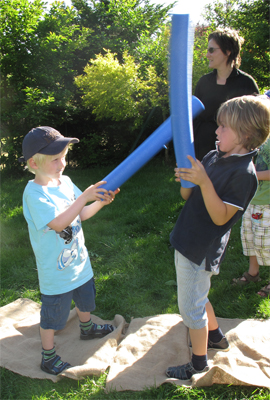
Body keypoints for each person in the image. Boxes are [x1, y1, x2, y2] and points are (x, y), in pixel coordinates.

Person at [166, 95, 270, 380]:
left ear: (245, 135)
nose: (216, 131)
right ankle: (215, 336)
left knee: (191, 309)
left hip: (201, 248)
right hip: (187, 237)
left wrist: (204, 182)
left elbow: (221, 216)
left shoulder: (244, 174)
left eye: (223, 127)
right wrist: (188, 180)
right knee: (198, 295)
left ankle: (198, 363)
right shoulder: (214, 156)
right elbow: (188, 196)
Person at [20, 126, 119, 375]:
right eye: (55, 159)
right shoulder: (34, 194)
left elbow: (81, 214)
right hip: (55, 272)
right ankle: (48, 357)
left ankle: (86, 328)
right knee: (53, 317)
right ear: (34, 162)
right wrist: (84, 196)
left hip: (79, 261)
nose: (62, 163)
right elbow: (58, 224)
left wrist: (98, 201)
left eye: (64, 156)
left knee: (85, 299)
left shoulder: (65, 182)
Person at [193, 28, 259, 161]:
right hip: (202, 154)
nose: (207, 55)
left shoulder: (246, 84)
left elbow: (255, 123)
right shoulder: (203, 82)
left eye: (212, 50)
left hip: (233, 157)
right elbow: (193, 119)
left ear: (227, 52)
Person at [233, 91, 270, 297]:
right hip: (252, 200)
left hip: (268, 203)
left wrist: (252, 173)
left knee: (268, 241)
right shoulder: (256, 139)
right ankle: (253, 273)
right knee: (250, 238)